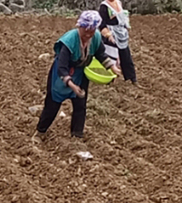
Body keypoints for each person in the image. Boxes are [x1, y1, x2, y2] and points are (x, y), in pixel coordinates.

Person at [36, 11, 121, 139]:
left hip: (81, 73)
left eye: (91, 31)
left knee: (80, 105)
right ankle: (40, 131)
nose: (88, 34)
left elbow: (101, 54)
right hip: (62, 75)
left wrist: (113, 68)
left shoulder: (96, 37)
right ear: (79, 26)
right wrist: (71, 85)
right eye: (85, 30)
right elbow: (61, 68)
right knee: (52, 105)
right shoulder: (69, 41)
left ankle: (77, 135)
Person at [98, 0, 137, 85]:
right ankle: (108, 80)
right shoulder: (103, 6)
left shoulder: (118, 3)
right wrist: (108, 35)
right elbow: (101, 23)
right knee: (111, 57)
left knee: (126, 56)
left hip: (121, 33)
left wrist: (125, 27)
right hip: (110, 34)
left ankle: (131, 78)